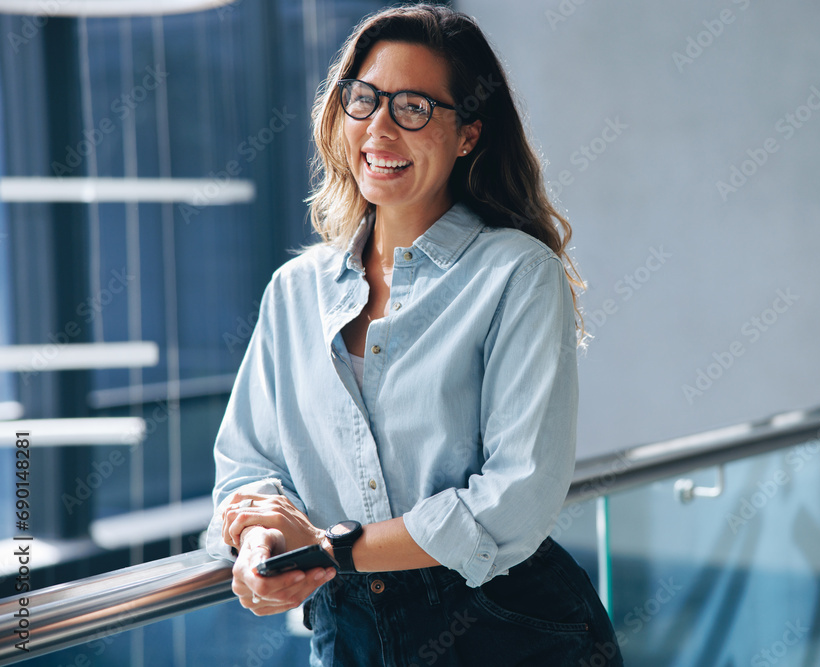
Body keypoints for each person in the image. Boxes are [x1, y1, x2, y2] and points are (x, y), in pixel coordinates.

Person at [206, 4, 622, 665]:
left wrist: (330, 546)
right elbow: (247, 465)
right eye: (363, 99)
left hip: (507, 628)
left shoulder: (517, 273)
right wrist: (259, 541)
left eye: (415, 108)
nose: (379, 127)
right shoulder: (295, 291)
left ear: (468, 134)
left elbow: (515, 497)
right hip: (346, 628)